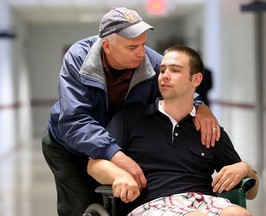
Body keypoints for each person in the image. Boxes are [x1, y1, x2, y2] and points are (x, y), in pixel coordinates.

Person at [42, 7, 220, 216]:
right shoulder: (79, 58)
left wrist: (200, 106)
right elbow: (75, 120)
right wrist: (116, 155)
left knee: (119, 202)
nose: (141, 52)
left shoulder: (149, 62)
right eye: (132, 47)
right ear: (107, 46)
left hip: (113, 143)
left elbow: (178, 89)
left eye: (143, 44)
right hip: (68, 147)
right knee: (81, 204)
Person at [87, 45, 259, 216]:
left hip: (203, 201)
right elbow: (94, 164)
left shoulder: (209, 128)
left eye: (175, 70)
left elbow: (251, 192)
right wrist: (118, 176)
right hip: (151, 205)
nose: (165, 76)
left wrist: (246, 169)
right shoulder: (131, 117)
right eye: (162, 70)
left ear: (196, 80)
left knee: (240, 214)